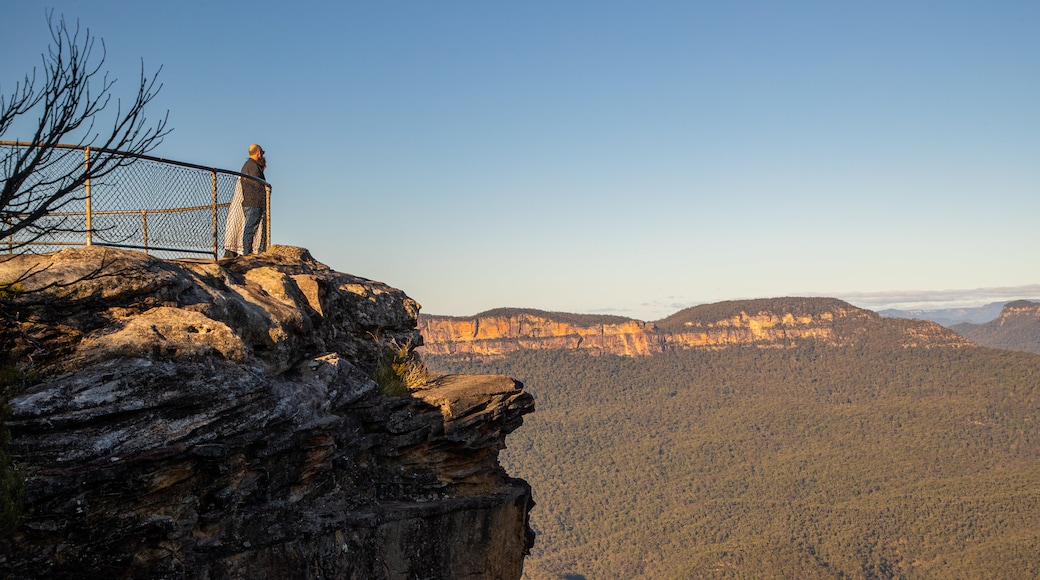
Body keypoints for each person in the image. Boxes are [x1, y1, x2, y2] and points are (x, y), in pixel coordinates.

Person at [222, 144, 268, 258]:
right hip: (254, 202)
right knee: (250, 228)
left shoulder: (247, 166)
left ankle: (248, 251)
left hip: (249, 202)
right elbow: (258, 183)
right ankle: (247, 253)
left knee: (250, 228)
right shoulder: (253, 166)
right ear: (258, 153)